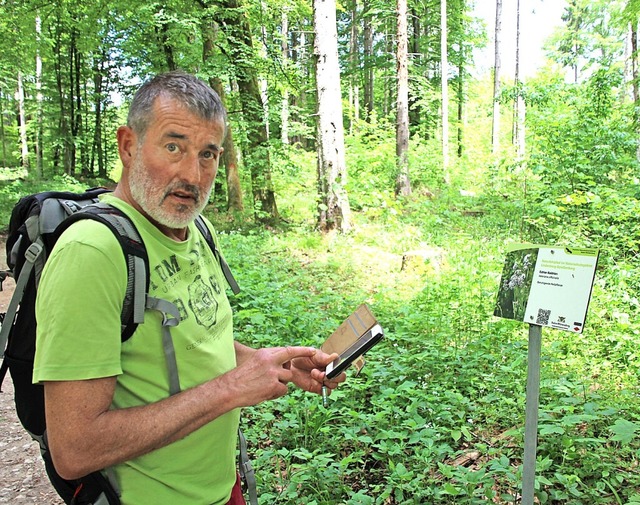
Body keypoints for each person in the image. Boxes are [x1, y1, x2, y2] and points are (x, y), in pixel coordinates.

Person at [32, 71, 345, 505]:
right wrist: (232, 388)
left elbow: (195, 340)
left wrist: (269, 363)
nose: (193, 175)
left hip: (219, 487)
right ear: (128, 146)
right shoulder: (93, 253)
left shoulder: (194, 227)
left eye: (208, 154)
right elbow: (75, 448)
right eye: (173, 146)